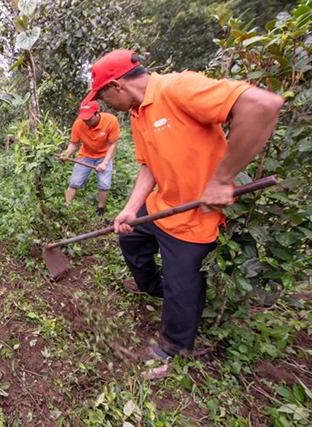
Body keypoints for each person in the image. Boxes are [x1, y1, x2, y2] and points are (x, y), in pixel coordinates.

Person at [82, 50, 283, 363]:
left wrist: (222, 179)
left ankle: (174, 349)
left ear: (117, 86)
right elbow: (148, 166)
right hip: (163, 204)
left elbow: (263, 105)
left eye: (102, 95)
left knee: (183, 287)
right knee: (131, 238)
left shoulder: (177, 88)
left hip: (193, 215)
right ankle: (151, 287)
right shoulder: (138, 113)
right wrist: (131, 209)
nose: (103, 104)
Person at [60, 101, 120, 216]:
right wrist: (67, 154)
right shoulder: (79, 124)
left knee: (104, 183)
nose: (86, 121)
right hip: (85, 155)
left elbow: (112, 144)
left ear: (97, 113)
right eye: (84, 118)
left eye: (89, 118)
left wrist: (105, 163)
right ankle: (66, 206)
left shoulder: (111, 121)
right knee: (74, 181)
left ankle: (100, 209)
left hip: (104, 155)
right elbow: (74, 144)